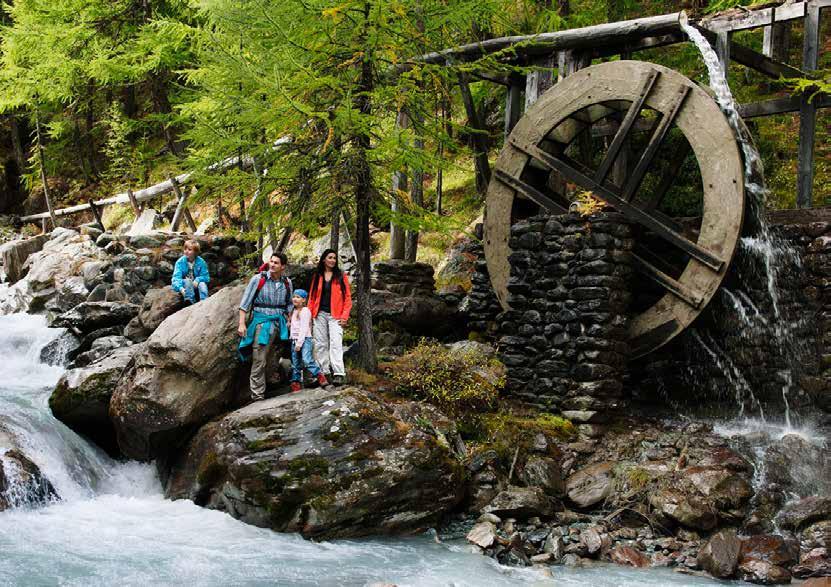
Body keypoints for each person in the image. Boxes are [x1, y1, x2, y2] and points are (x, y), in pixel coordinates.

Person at [237, 252, 293, 402]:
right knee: (259, 358)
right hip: (262, 323)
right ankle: (257, 395)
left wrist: (290, 318)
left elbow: (289, 304)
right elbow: (244, 304)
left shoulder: (287, 283)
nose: (272, 265)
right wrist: (242, 324)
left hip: (280, 323)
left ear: (283, 266)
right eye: (271, 261)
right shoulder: (258, 280)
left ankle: (298, 382)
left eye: (276, 263)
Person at [307, 248, 351, 386]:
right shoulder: (317, 276)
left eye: (334, 258)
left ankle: (339, 373)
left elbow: (348, 298)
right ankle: (324, 372)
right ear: (324, 259)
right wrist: (309, 314)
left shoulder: (341, 276)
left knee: (336, 343)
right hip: (319, 315)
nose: (332, 260)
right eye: (330, 257)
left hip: (335, 315)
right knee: (320, 344)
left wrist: (345, 316)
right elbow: (312, 297)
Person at [288, 289, 328, 393]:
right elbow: (294, 327)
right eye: (294, 297)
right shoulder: (293, 311)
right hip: (294, 340)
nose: (295, 299)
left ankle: (319, 375)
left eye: (298, 297)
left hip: (305, 339)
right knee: (295, 363)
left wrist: (299, 343)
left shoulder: (305, 311)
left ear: (304, 300)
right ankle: (295, 383)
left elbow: (304, 328)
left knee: (306, 359)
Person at [171, 240, 210, 304]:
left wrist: (198, 280)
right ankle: (190, 301)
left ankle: (204, 301)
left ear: (195, 252)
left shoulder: (201, 262)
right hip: (185, 286)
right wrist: (181, 288)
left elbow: (206, 277)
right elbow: (175, 279)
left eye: (189, 249)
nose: (186, 251)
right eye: (185, 249)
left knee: (202, 284)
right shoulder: (180, 262)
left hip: (195, 285)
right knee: (188, 281)